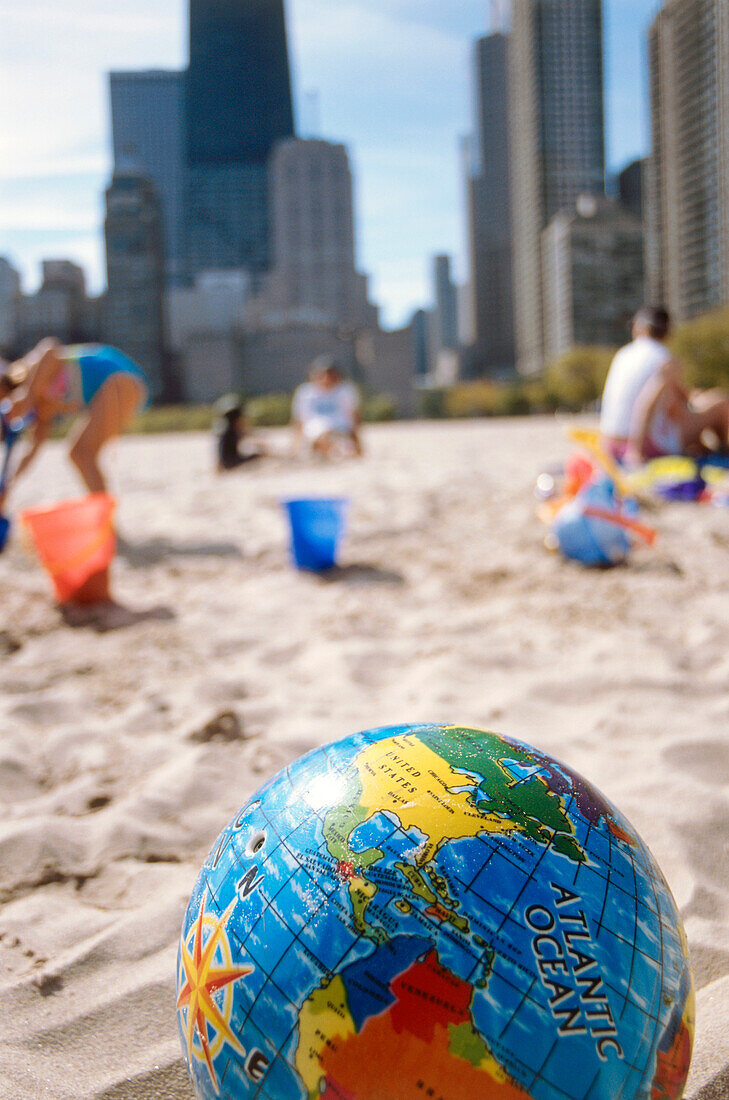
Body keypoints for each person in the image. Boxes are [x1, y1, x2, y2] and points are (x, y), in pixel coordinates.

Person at [0, 339, 148, 504]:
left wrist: (27, 395)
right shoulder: (39, 407)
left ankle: (106, 520)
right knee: (79, 454)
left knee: (83, 452)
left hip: (121, 380)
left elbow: (51, 348)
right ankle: (103, 516)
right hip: (115, 387)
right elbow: (33, 448)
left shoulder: (29, 372)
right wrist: (8, 486)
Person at [600, 305, 729, 462]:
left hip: (610, 443)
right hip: (642, 445)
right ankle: (723, 455)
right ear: (668, 331)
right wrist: (636, 452)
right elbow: (657, 404)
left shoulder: (623, 354)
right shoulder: (664, 358)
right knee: (722, 403)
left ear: (638, 328)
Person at [291, 356, 363, 458]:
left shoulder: (345, 390)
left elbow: (354, 416)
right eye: (322, 375)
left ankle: (334, 450)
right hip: (315, 429)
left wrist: (358, 443)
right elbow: (299, 420)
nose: (326, 378)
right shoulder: (305, 392)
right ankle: (327, 450)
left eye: (330, 374)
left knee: (336, 440)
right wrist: (295, 446)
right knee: (321, 436)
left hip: (340, 428)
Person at [214, 397, 263, 472]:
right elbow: (251, 438)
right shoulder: (233, 432)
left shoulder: (225, 432)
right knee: (259, 456)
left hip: (226, 464)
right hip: (232, 463)